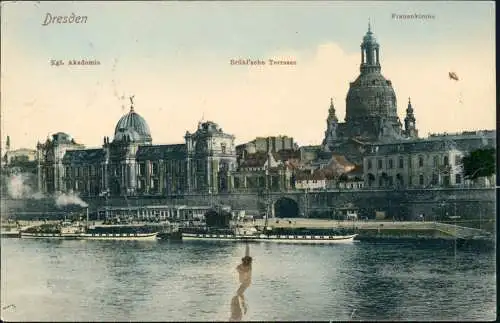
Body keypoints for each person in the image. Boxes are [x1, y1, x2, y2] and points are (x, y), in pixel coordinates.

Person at [230, 243, 252, 321]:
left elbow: (247, 257)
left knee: (237, 294)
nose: (244, 261)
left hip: (246, 283)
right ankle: (243, 307)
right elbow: (247, 254)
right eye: (244, 260)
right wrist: (247, 246)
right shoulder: (243, 264)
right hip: (243, 282)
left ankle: (244, 307)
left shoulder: (249, 266)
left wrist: (240, 270)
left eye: (246, 260)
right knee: (238, 295)